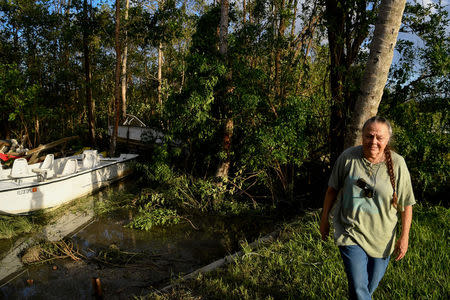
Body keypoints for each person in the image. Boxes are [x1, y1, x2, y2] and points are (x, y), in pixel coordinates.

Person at [319, 116, 416, 300]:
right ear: (362, 136)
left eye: (379, 137)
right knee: (359, 289)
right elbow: (332, 190)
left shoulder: (397, 164)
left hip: (383, 237)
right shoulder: (348, 157)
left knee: (366, 289)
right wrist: (324, 220)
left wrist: (405, 236)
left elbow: (406, 204)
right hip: (350, 232)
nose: (374, 141)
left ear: (388, 139)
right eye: (369, 136)